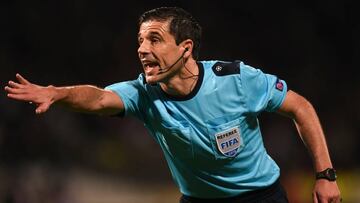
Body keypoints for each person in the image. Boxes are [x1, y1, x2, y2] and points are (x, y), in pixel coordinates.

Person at [5, 6, 341, 203]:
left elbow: (300, 107)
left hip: (260, 196)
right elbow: (97, 98)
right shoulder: (142, 94)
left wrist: (325, 174)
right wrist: (58, 93)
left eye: (154, 39)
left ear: (186, 48)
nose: (141, 49)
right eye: (139, 40)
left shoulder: (236, 79)